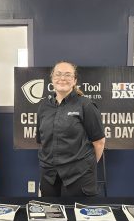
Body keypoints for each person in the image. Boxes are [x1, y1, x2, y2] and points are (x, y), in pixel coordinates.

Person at [36, 61, 106, 196]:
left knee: (77, 216)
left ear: (74, 81)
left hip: (79, 176)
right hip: (49, 176)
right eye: (58, 74)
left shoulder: (86, 105)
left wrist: (87, 167)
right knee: (51, 215)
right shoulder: (44, 106)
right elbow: (42, 141)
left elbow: (99, 142)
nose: (62, 78)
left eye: (68, 75)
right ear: (52, 79)